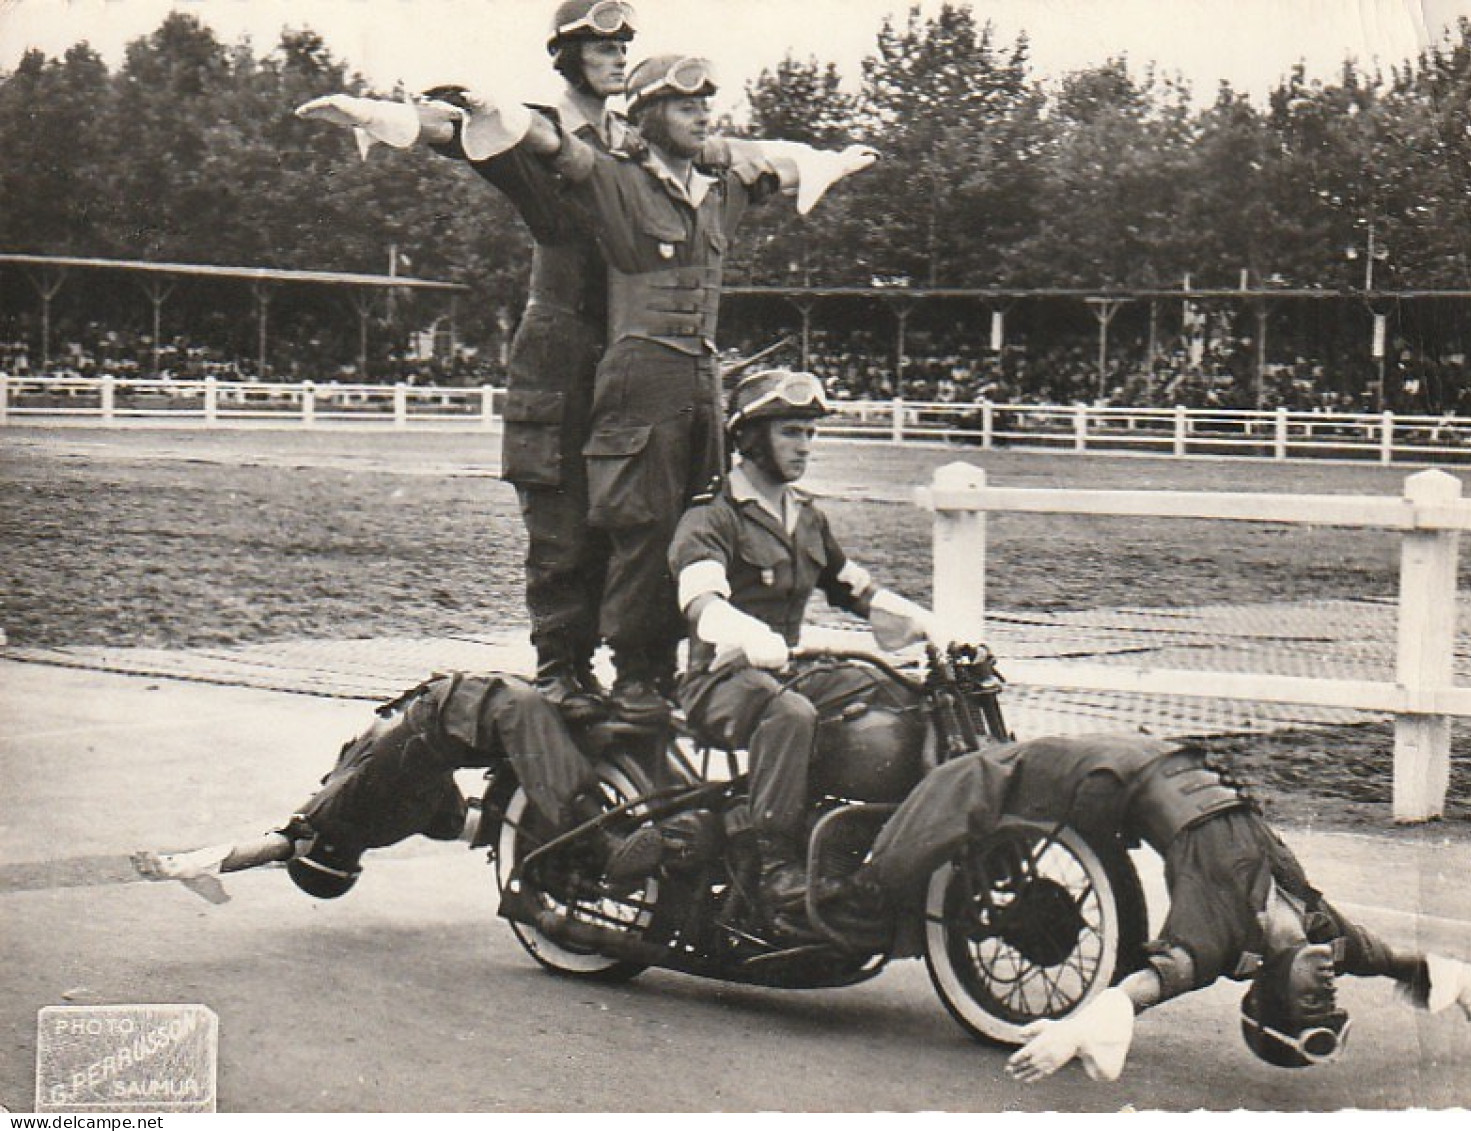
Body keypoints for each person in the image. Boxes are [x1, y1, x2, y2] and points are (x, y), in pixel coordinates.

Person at [459, 55, 878, 724]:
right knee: (641, 529)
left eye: (707, 105)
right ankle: (631, 674)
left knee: (695, 524)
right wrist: (497, 112)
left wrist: (829, 161)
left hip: (698, 381)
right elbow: (557, 148)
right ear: (653, 115)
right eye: (688, 107)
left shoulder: (715, 191)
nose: (704, 115)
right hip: (639, 377)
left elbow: (768, 167)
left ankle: (677, 668)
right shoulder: (621, 182)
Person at [295, 0, 643, 725]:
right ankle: (563, 672)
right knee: (561, 517)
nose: (619, 57)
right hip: (562, 342)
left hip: (627, 342)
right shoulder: (538, 122)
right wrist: (382, 118)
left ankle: (628, 670)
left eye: (625, 47)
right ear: (569, 55)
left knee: (630, 511)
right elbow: (459, 128)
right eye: (601, 47)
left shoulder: (630, 136)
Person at [828, 734, 1471, 1080]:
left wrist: (1083, 1026)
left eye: (1313, 1003)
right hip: (1162, 754)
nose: (1330, 988)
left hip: (1107, 779)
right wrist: (1442, 975)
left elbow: (1150, 983)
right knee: (975, 763)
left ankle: (863, 890)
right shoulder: (1327, 936)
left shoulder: (1219, 940)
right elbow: (1389, 960)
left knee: (968, 778)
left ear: (1267, 995)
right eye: (1332, 1001)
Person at [651, 368, 943, 932]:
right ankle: (774, 867)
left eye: (810, 433)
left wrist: (920, 620)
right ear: (753, 438)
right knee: (791, 714)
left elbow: (853, 587)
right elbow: (699, 597)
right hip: (719, 679)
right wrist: (740, 631)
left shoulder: (806, 515)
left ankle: (860, 842)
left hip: (785, 669)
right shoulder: (713, 513)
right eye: (791, 432)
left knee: (895, 692)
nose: (805, 446)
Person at [131, 673, 618, 901]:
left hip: (455, 718)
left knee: (558, 769)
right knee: (575, 732)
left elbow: (261, 850)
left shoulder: (332, 818)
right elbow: (486, 828)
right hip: (453, 709)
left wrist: (180, 865)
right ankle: (606, 840)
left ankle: (604, 845)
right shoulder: (356, 810)